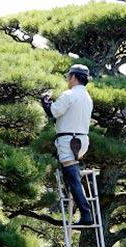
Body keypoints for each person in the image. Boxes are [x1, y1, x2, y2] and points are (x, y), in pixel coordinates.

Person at [41, 64, 94, 226]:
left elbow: (53, 112)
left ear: (73, 77)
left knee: (72, 178)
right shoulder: (87, 97)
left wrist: (45, 100)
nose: (67, 80)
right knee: (72, 176)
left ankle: (86, 214)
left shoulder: (69, 94)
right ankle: (85, 212)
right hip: (82, 140)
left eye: (68, 76)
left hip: (69, 141)